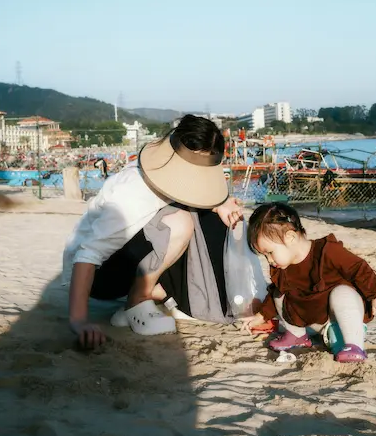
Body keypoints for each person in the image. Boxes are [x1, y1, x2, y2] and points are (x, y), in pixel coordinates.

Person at [63, 115, 243, 348]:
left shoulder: (167, 173)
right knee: (180, 221)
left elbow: (195, 195)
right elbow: (87, 254)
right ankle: (138, 301)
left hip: (126, 257)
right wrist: (79, 321)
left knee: (196, 215)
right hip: (99, 277)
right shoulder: (133, 194)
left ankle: (155, 293)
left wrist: (220, 203)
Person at [239, 202, 376, 363]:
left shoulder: (327, 251)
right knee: (279, 293)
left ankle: (353, 345)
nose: (269, 260)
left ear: (290, 237)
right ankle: (297, 335)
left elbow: (358, 269)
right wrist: (261, 315)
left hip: (344, 317)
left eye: (270, 253)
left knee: (342, 293)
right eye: (265, 256)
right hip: (315, 320)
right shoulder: (282, 267)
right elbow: (273, 296)